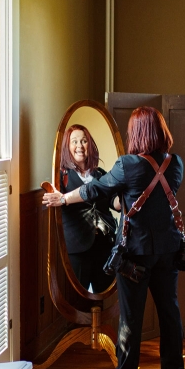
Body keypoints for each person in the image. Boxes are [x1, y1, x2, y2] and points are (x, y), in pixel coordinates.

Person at [42, 107, 185, 369]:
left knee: (131, 317)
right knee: (170, 310)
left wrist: (63, 199)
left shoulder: (128, 164)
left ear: (139, 133)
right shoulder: (175, 163)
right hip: (168, 249)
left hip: (134, 252)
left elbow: (93, 190)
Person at [58, 124, 117, 293]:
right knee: (78, 297)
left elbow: (115, 202)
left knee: (103, 294)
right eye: (74, 142)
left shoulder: (101, 174)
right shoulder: (62, 176)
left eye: (84, 141)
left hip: (104, 245)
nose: (80, 146)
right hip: (77, 246)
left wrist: (128, 193)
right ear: (67, 147)